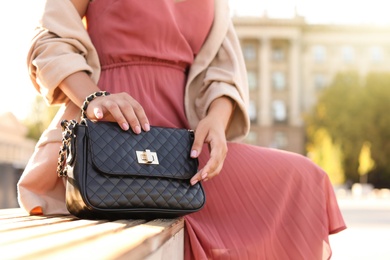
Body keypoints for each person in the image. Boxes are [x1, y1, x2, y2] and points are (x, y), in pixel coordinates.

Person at [18, 0, 346, 259]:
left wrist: (217, 121)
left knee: (305, 179)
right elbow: (48, 39)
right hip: (108, 134)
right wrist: (93, 96)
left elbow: (223, 69)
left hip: (184, 145)